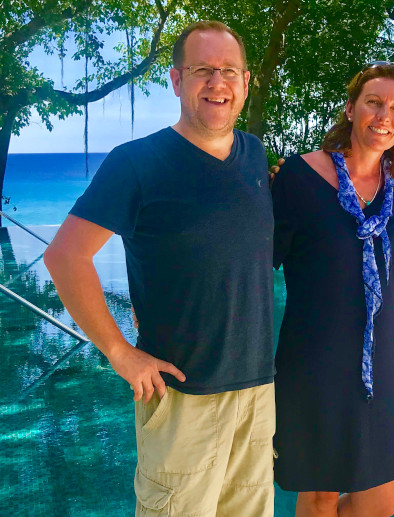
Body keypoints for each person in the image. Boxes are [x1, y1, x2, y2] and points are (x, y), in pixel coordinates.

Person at [43, 21, 275, 516]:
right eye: (202, 69)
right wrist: (119, 352)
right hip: (180, 396)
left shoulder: (255, 156)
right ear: (176, 79)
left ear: (245, 82)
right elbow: (65, 256)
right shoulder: (136, 163)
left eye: (229, 71)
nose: (217, 82)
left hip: (256, 393)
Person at [271, 61, 394, 517]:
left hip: (378, 363)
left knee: (383, 500)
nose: (384, 116)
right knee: (318, 496)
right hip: (314, 360)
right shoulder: (298, 176)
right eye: (374, 102)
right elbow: (254, 260)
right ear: (351, 109)